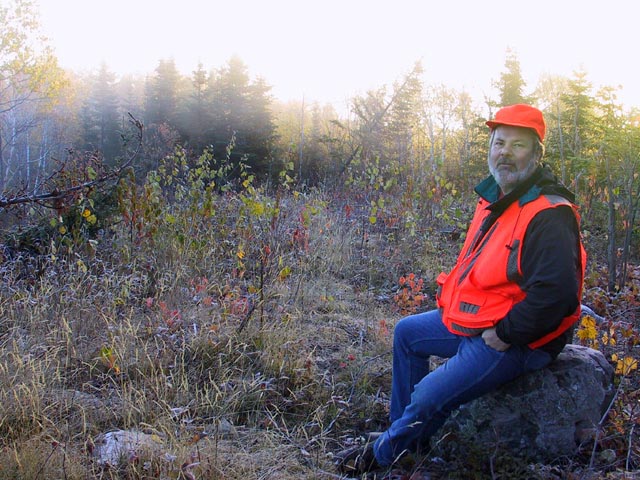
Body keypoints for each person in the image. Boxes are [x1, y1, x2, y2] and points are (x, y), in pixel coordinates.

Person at [335, 104, 587, 474]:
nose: (505, 152)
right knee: (407, 333)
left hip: (518, 338)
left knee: (430, 394)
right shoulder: (495, 200)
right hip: (481, 319)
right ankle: (406, 439)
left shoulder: (549, 213)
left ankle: (383, 457)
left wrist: (505, 333)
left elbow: (557, 293)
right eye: (499, 142)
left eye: (518, 145)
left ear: (536, 155)